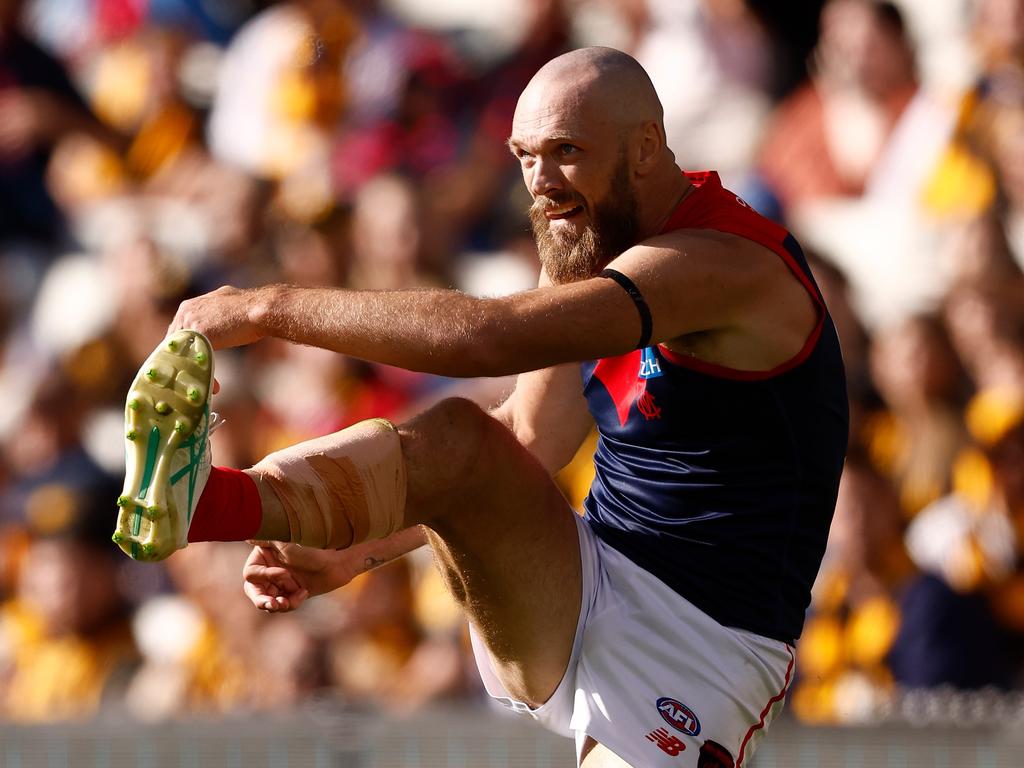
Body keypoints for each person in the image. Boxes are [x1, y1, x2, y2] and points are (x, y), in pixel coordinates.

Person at [114, 47, 848, 767]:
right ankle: (206, 503)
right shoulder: (586, 237)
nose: (541, 182)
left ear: (647, 148)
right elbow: (530, 434)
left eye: (565, 150)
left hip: (701, 642)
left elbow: (489, 339)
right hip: (586, 572)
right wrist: (356, 550)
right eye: (524, 155)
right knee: (465, 439)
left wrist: (266, 307)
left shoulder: (723, 260)